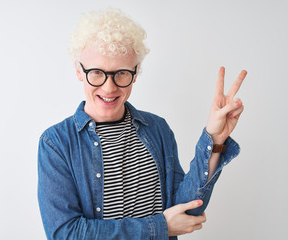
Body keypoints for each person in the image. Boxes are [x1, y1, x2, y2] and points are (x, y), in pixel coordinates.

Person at [37, 8, 246, 240]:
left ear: (135, 73)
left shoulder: (157, 129)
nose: (109, 87)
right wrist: (160, 227)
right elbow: (65, 234)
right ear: (79, 71)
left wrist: (214, 139)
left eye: (122, 73)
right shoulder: (56, 143)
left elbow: (186, 211)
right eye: (96, 73)